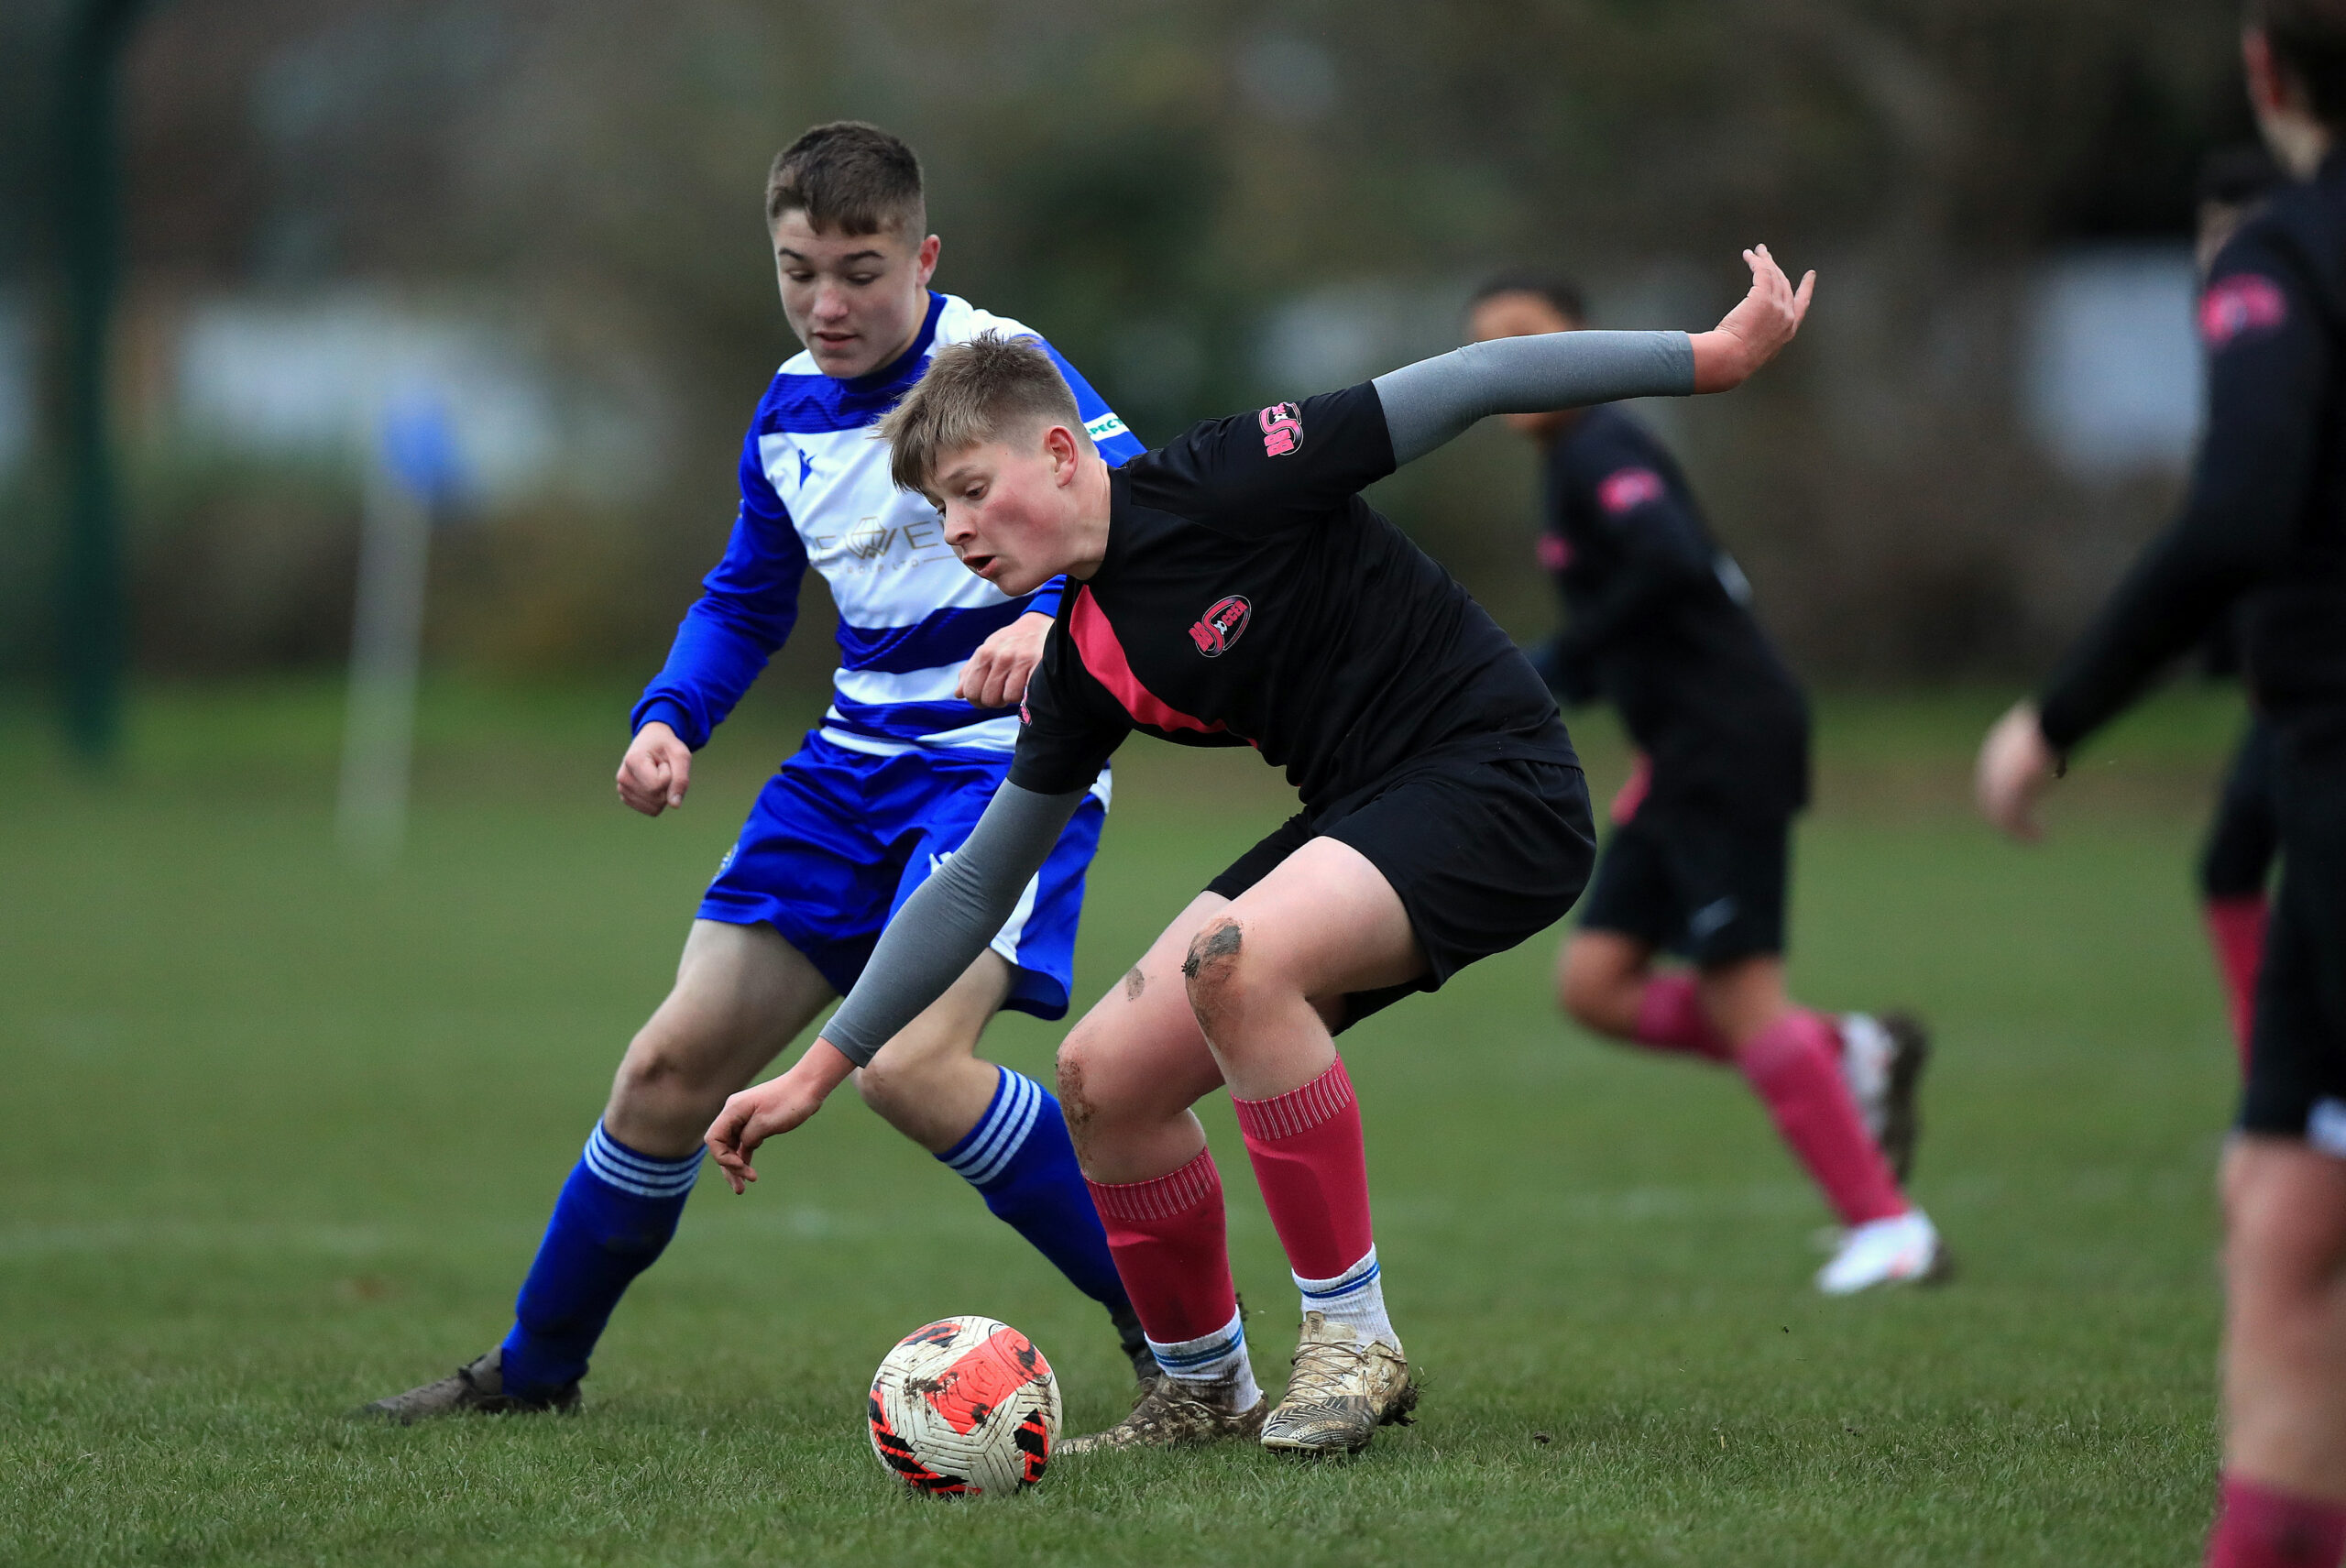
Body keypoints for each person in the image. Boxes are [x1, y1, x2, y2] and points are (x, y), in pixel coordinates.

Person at [703, 245, 1814, 1458]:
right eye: (938, 511)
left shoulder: (1230, 475)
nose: (958, 529)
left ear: (1062, 452)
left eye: (973, 489)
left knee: (1231, 959)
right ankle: (1202, 1388)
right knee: (1102, 1073)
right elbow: (978, 879)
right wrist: (818, 1070)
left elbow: (1485, 373)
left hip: (1498, 777)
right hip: (1364, 809)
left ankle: (1355, 1339)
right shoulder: (1078, 660)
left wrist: (1712, 356)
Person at [364, 122, 1154, 1422]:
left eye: (859, 268)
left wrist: (1054, 614)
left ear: (924, 256)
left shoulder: (1003, 365)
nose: (827, 303)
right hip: (845, 770)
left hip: (1004, 766)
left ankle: (1183, 1337)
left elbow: (1146, 503)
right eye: (798, 271)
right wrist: (672, 714)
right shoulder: (785, 408)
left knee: (910, 1062)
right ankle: (534, 1369)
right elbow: (744, 597)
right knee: (668, 1068)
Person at [1975, 6, 2346, 1561]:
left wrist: (2058, 716)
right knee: (2279, 1201)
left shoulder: (2284, 254)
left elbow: (2240, 509)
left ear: (2266, 71)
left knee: (2287, 1232)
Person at [1465, 275, 1943, 1295]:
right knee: (1595, 985)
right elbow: (1620, 629)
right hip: (1675, 751)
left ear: (1580, 345)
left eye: (1528, 338)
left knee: (1738, 991)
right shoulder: (1564, 465)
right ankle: (1847, 1051)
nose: (1508, 364)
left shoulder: (1602, 447)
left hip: (1726, 739)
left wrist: (1550, 659)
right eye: (1487, 346)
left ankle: (1889, 1225)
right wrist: (1524, 686)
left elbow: (1669, 564)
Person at [2193, 146, 2288, 1070]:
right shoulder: (2243, 337)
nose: (2214, 255)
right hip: (2286, 673)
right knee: (2229, 865)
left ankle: (2283, 1085)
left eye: (2227, 235)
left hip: (2313, 677)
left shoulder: (2282, 328)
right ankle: (2273, 1075)